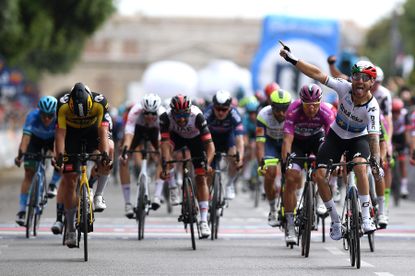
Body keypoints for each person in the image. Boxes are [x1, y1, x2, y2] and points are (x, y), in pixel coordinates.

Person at [280, 44, 383, 240]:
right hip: (335, 136)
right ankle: (335, 221)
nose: (359, 82)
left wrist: (376, 162)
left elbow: (373, 138)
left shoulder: (373, 108)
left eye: (364, 79)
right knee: (319, 176)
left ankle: (366, 216)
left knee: (361, 167)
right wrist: (293, 59)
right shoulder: (344, 87)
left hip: (357, 139)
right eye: (356, 77)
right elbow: (318, 74)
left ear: (371, 82)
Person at [54, 82, 112, 248]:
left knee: (106, 156)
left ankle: (98, 195)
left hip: (92, 132)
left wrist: (104, 153)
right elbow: (60, 135)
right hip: (71, 135)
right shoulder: (63, 105)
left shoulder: (100, 102)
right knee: (70, 178)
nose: (80, 116)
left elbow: (103, 131)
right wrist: (59, 156)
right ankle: (71, 229)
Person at [281, 84, 335, 243]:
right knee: (291, 178)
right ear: (301, 102)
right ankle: (290, 226)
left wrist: (331, 159)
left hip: (317, 140)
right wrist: (286, 161)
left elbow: (332, 139)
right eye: (308, 105)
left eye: (315, 104)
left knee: (323, 172)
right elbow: (287, 140)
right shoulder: (293, 109)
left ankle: (319, 200)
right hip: (297, 142)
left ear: (320, 102)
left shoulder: (326, 111)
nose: (311, 108)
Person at [159, 94, 215, 239]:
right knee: (166, 152)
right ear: (173, 113)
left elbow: (210, 145)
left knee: (201, 177)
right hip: (176, 138)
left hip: (196, 140)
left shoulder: (197, 116)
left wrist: (207, 163)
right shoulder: (165, 117)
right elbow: (165, 144)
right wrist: (165, 165)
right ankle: (172, 187)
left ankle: (203, 221)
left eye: (185, 115)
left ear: (189, 111)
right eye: (178, 116)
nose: (182, 119)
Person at [14, 96, 61, 226]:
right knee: (28, 172)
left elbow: (59, 141)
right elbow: (25, 139)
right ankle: (22, 211)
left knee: (61, 158)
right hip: (35, 141)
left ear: (54, 113)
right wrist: (20, 156)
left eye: (50, 116)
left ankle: (53, 184)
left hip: (52, 140)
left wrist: (56, 156)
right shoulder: (32, 117)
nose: (46, 119)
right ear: (38, 112)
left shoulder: (59, 118)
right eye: (43, 115)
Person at [119, 93, 166, 218]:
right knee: (122, 159)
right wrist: (125, 151)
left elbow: (163, 140)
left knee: (164, 157)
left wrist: (161, 152)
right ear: (142, 110)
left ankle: (157, 195)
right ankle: (128, 203)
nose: (150, 116)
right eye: (146, 113)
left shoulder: (162, 114)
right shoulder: (135, 111)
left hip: (155, 132)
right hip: (137, 130)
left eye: (153, 114)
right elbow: (129, 135)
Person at [256, 89, 291, 227]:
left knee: (294, 171)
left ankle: (298, 196)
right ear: (272, 106)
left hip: (286, 142)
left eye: (285, 110)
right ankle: (272, 209)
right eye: (278, 110)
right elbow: (259, 143)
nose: (282, 113)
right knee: (269, 172)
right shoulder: (263, 115)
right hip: (270, 143)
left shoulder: (293, 113)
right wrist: (261, 164)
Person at [204, 90, 244, 200]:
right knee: (208, 170)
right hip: (211, 140)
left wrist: (240, 157)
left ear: (229, 108)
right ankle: (207, 195)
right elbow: (199, 136)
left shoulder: (234, 114)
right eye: (218, 109)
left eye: (224, 109)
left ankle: (230, 184)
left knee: (235, 157)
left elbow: (240, 139)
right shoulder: (207, 113)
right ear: (213, 107)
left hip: (227, 139)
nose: (220, 112)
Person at [392, 97, 411, 198]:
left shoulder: (405, 114)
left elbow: (407, 132)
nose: (395, 114)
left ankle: (404, 187)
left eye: (397, 111)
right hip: (391, 135)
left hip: (401, 137)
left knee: (403, 162)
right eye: (393, 111)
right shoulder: (388, 114)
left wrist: (407, 144)